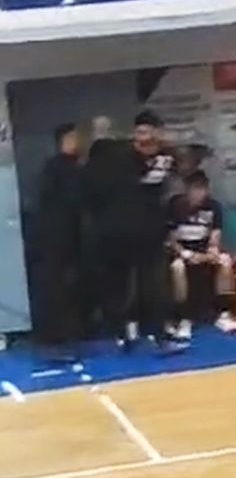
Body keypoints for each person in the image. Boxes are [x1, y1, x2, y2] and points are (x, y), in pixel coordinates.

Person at [85, 110, 183, 353]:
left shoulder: (166, 156)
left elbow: (179, 169)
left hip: (150, 231)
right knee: (119, 284)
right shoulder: (117, 154)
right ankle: (123, 332)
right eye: (140, 132)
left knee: (154, 283)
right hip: (118, 230)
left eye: (149, 132)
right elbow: (96, 180)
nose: (144, 137)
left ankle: (159, 334)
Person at [32, 123, 85, 357]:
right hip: (57, 235)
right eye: (74, 137)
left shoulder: (63, 167)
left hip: (65, 234)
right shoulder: (61, 168)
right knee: (57, 286)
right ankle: (55, 336)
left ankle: (65, 333)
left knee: (66, 285)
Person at [167, 171, 236, 339]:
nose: (199, 193)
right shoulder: (174, 205)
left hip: (204, 252)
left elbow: (215, 237)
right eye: (195, 189)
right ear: (186, 189)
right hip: (181, 252)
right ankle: (184, 318)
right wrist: (186, 254)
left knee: (225, 262)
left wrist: (211, 252)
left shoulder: (213, 207)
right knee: (177, 268)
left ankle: (224, 313)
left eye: (202, 189)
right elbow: (170, 239)